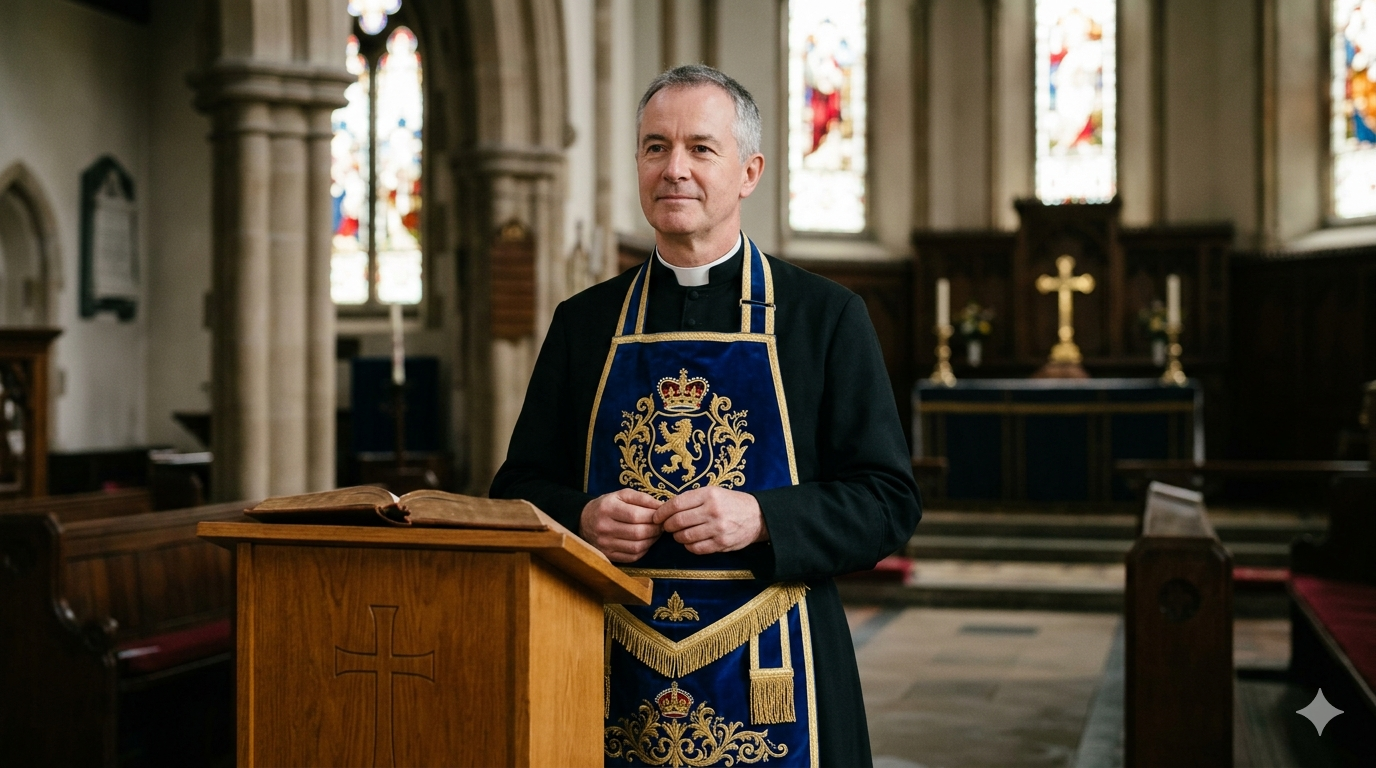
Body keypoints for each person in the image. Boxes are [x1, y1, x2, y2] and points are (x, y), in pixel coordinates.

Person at [490, 64, 921, 767]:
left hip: (776, 674)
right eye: (655, 147)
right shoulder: (585, 322)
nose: (674, 170)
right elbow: (515, 492)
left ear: (749, 171)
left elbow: (889, 502)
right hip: (606, 669)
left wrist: (762, 519)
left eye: (700, 148)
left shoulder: (824, 317)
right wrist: (581, 517)